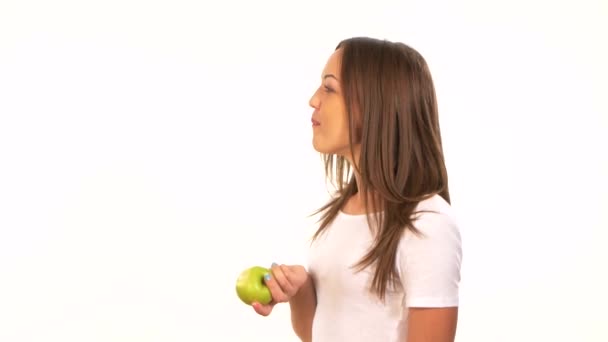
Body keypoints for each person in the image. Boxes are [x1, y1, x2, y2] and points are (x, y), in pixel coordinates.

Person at [251, 37, 463, 342]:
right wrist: (300, 290)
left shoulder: (428, 223)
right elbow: (318, 334)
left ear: (373, 105)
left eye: (329, 88)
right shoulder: (341, 211)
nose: (314, 99)